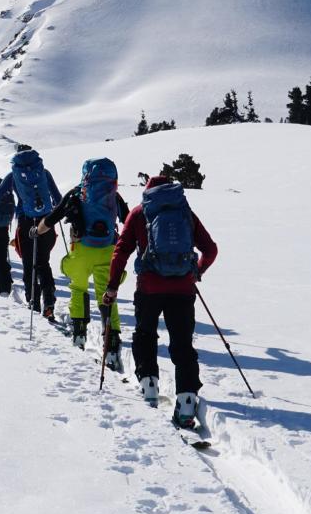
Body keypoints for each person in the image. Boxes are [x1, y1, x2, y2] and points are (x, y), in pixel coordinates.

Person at [102, 175, 218, 429]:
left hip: (149, 288)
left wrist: (112, 286)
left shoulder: (140, 212)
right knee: (183, 344)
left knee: (145, 334)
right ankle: (187, 401)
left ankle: (149, 386)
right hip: (182, 288)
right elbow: (210, 249)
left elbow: (121, 251)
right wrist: (196, 271)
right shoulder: (186, 213)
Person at [36, 158, 129, 366]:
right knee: (106, 294)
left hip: (81, 250)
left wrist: (36, 231)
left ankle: (79, 333)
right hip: (107, 251)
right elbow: (128, 220)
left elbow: (52, 218)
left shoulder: (76, 194)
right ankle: (111, 341)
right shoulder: (114, 196)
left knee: (78, 289)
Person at [0, 144, 61, 318]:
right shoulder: (44, 173)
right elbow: (58, 199)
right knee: (44, 262)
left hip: (25, 225)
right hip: (46, 223)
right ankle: (49, 301)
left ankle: (33, 303)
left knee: (29, 265)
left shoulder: (14, 175)